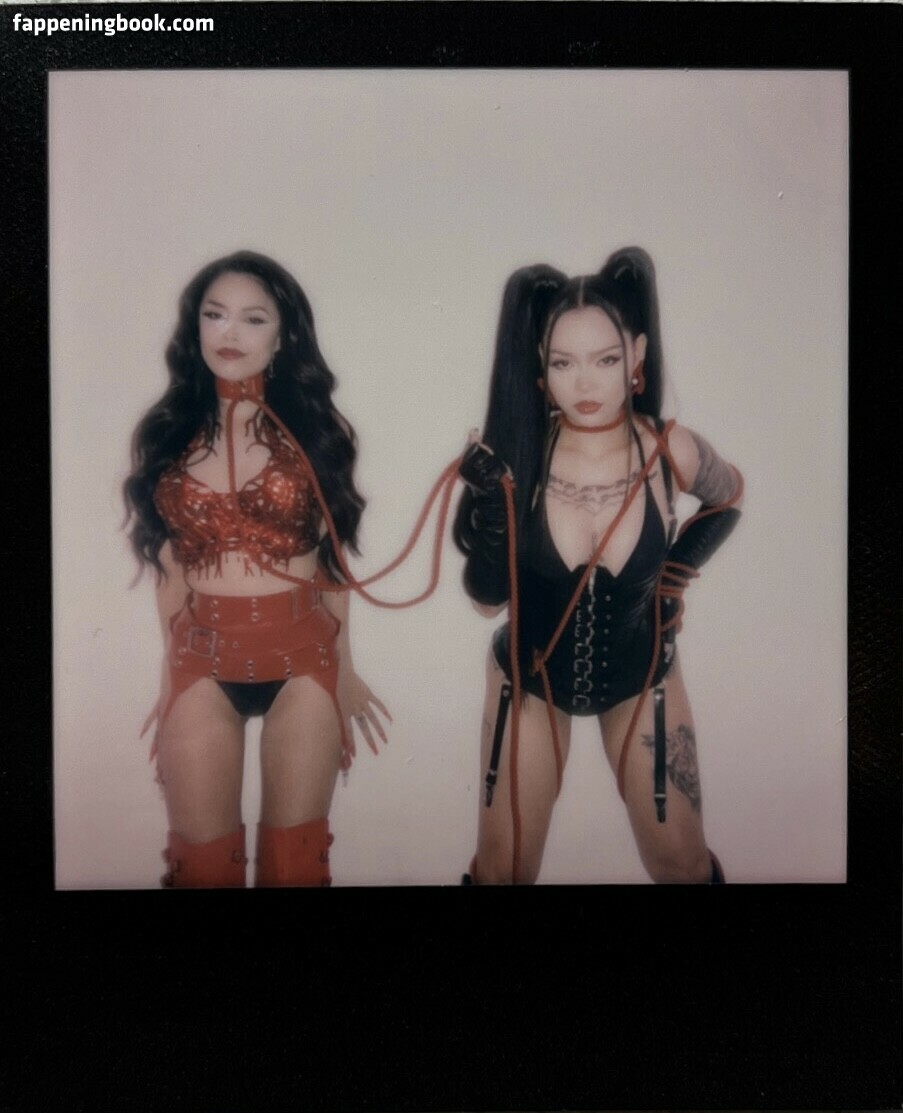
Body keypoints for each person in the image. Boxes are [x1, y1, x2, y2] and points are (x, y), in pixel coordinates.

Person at [453, 247, 743, 885]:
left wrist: (673, 579)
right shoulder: (514, 457)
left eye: (606, 360)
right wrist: (492, 510)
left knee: (683, 863)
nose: (584, 384)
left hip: (641, 676)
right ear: (540, 364)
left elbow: (727, 500)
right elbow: (485, 601)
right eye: (563, 362)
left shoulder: (672, 449)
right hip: (529, 680)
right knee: (503, 871)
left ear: (637, 355)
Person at [124, 251, 389, 888]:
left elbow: (331, 563)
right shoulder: (165, 434)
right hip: (202, 658)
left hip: (303, 658)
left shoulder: (318, 431)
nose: (231, 333)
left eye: (253, 318)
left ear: (282, 336)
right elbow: (169, 572)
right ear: (195, 326)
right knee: (201, 871)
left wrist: (345, 670)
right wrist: (170, 681)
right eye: (215, 315)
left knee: (295, 869)